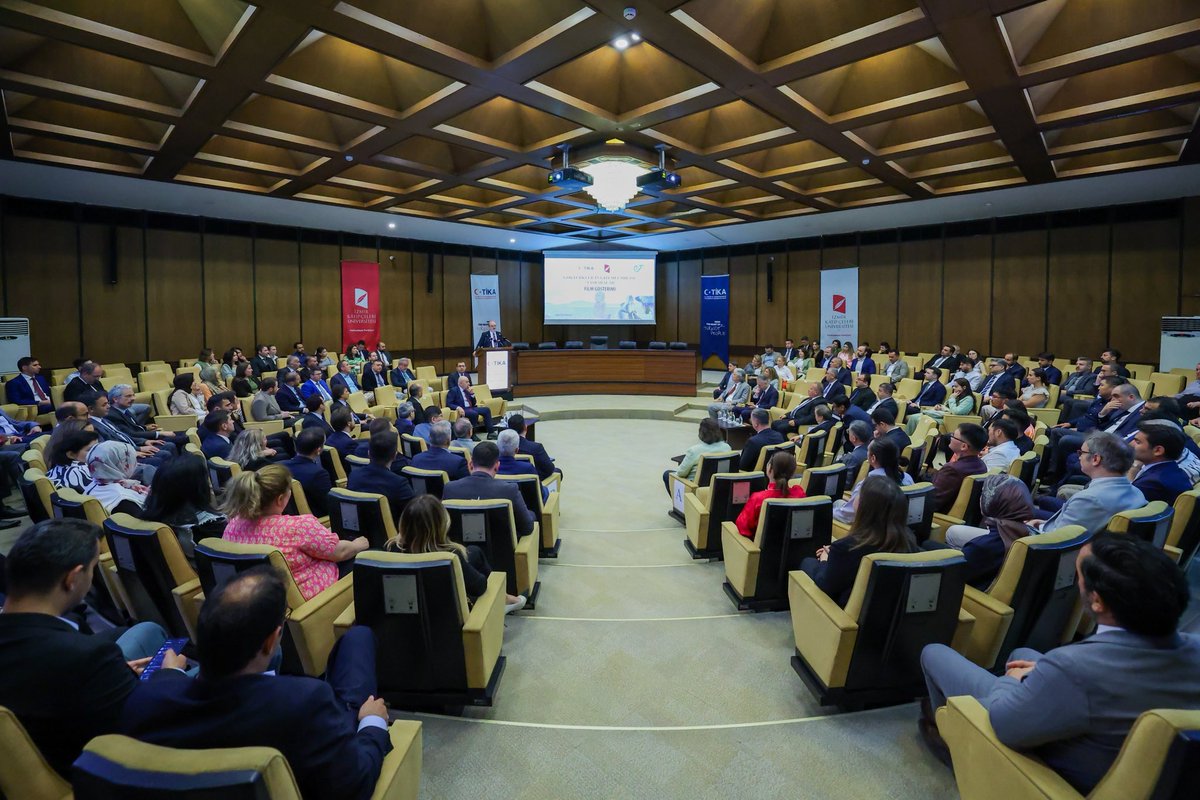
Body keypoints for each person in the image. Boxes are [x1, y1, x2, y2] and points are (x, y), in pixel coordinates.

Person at [919, 533, 1200, 793]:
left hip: (1056, 762)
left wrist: (1014, 682)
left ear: (1098, 601)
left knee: (933, 653)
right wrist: (1043, 674)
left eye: (1079, 576)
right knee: (1022, 653)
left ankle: (954, 744)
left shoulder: (1075, 668)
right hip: (1104, 742)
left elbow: (1004, 722)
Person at [120, 567, 392, 800]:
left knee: (357, 640)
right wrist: (371, 724)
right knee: (359, 639)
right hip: (320, 756)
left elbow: (164, 692)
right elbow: (355, 786)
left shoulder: (145, 700)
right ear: (271, 641)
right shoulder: (306, 702)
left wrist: (170, 675)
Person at [0, 519, 184, 778]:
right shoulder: (88, 657)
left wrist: (112, 676)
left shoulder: (81, 655)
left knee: (149, 631)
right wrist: (171, 674)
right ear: (72, 578)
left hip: (52, 724)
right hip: (95, 767)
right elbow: (147, 727)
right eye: (93, 568)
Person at [219, 465, 366, 598]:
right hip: (314, 601)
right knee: (363, 557)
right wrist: (360, 544)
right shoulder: (298, 527)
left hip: (258, 599)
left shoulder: (232, 526)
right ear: (280, 499)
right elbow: (341, 552)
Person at [387, 493, 526, 613]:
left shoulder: (391, 549)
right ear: (440, 524)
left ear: (404, 522)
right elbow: (480, 586)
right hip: (446, 615)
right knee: (476, 558)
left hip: (411, 611)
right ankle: (504, 598)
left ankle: (506, 597)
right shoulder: (451, 556)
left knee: (475, 552)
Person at [803, 477, 918, 605]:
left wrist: (825, 560)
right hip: (884, 612)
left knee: (807, 563)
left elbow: (825, 584)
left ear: (866, 506)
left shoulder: (847, 547)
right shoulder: (909, 539)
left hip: (844, 615)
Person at [1032, 431, 1145, 535]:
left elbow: (1057, 539)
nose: (1079, 457)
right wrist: (1043, 525)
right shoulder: (1137, 492)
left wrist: (1036, 528)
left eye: (1081, 452)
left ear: (1096, 459)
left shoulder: (1089, 499)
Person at [139, 456, 227, 560]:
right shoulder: (209, 524)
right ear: (196, 488)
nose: (209, 485)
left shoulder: (150, 515)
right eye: (205, 480)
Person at [442, 441, 534, 537]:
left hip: (459, 550)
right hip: (501, 551)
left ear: (470, 465)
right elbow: (527, 528)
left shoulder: (450, 488)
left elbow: (444, 527)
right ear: (497, 466)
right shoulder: (509, 490)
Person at [833, 438, 912, 523]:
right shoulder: (908, 478)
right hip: (898, 527)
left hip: (869, 531)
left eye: (867, 450)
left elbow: (847, 516)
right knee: (838, 502)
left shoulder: (868, 485)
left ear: (873, 458)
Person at [346, 429, 413, 523]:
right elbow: (413, 518)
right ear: (394, 455)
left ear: (369, 453)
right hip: (392, 536)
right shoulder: (399, 483)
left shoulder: (353, 476)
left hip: (359, 535)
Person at [735, 451, 805, 538]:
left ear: (770, 469)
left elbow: (743, 528)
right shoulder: (799, 493)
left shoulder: (758, 498)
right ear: (792, 474)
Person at [927, 423, 989, 514]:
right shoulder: (981, 465)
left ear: (964, 446)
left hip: (938, 518)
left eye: (953, 436)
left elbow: (931, 503)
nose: (950, 437)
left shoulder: (953, 470)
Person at [1128, 421, 1192, 505]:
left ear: (1158, 450)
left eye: (1138, 442)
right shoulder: (1174, 469)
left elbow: (1124, 506)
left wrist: (1132, 471)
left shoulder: (1150, 483)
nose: (1132, 444)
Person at [664, 417, 728, 494]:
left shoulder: (694, 451)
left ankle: (680, 505)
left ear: (701, 432)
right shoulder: (726, 447)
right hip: (718, 486)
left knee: (667, 474)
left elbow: (681, 473)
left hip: (694, 488)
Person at [282, 428, 333, 518]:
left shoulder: (279, 466)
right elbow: (329, 506)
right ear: (318, 450)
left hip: (286, 516)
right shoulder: (319, 474)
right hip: (315, 519)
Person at [86, 441, 149, 514]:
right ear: (122, 464)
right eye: (130, 460)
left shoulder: (94, 483)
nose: (135, 463)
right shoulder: (123, 499)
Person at [905, 377, 975, 436]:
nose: (954, 388)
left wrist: (952, 399)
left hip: (949, 419)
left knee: (920, 419)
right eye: (953, 386)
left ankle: (919, 439)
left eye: (956, 386)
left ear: (964, 387)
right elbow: (946, 405)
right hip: (942, 415)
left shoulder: (968, 399)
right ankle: (908, 437)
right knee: (914, 417)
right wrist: (940, 406)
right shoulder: (956, 396)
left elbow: (956, 412)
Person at [45, 422, 100, 493]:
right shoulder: (81, 471)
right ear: (71, 454)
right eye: (90, 449)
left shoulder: (59, 467)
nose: (98, 452)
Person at [496, 429, 548, 502]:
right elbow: (540, 494)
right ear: (517, 450)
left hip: (500, 511)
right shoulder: (527, 468)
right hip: (527, 509)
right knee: (545, 491)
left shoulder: (490, 468)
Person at [509, 414, 561, 481]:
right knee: (558, 471)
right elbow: (549, 469)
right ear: (525, 427)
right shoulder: (536, 448)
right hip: (532, 484)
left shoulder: (503, 446)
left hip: (508, 478)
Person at [738, 408, 785, 472]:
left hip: (754, 478)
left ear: (756, 423)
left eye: (751, 420)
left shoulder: (753, 442)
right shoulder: (779, 436)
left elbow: (742, 466)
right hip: (775, 474)